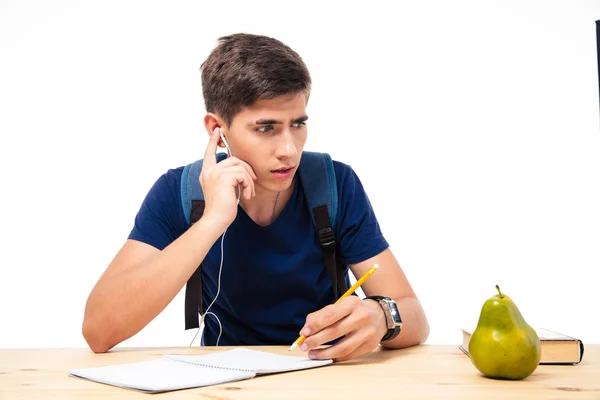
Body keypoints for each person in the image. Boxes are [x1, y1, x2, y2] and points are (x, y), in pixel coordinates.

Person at [82, 33, 429, 362]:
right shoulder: (178, 191)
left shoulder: (335, 182)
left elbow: (414, 317)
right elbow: (99, 331)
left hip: (324, 373)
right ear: (216, 130)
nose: (289, 150)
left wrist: (382, 315)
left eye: (297, 123)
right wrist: (212, 222)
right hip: (224, 382)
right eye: (266, 128)